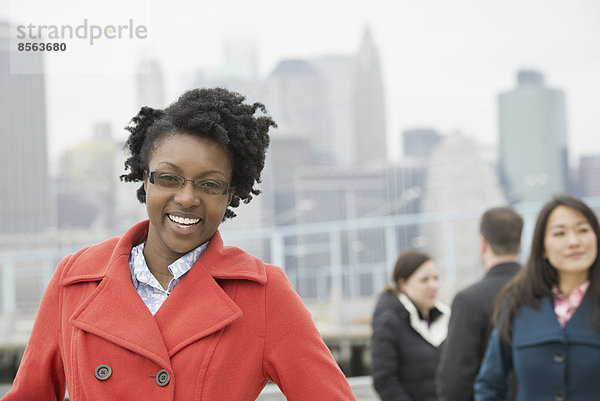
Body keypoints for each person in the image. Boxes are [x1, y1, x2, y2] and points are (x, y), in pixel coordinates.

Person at [3, 88, 356, 400]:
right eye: (169, 178)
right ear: (145, 179)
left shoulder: (263, 293)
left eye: (210, 184)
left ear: (231, 194)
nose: (187, 198)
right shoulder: (75, 278)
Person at [474, 194, 600, 401]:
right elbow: (489, 384)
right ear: (542, 248)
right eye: (559, 233)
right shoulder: (518, 304)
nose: (574, 242)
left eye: (583, 230)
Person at [437, 207, 523, 401]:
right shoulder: (544, 292)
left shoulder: (469, 300)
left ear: (482, 243)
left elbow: (455, 380)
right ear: (520, 242)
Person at [371, 249, 450, 401]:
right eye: (424, 280)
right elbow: (384, 380)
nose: (433, 285)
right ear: (403, 284)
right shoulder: (388, 322)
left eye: (436, 278)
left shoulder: (445, 319)